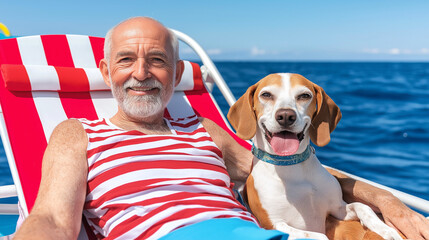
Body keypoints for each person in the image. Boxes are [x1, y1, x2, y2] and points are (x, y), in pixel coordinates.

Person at [13, 17, 429, 240]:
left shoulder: (202, 129)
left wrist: (388, 203)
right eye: (125, 60)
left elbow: (293, 171)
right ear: (106, 71)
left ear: (176, 73)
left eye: (156, 60)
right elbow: (51, 219)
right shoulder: (77, 133)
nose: (141, 73)